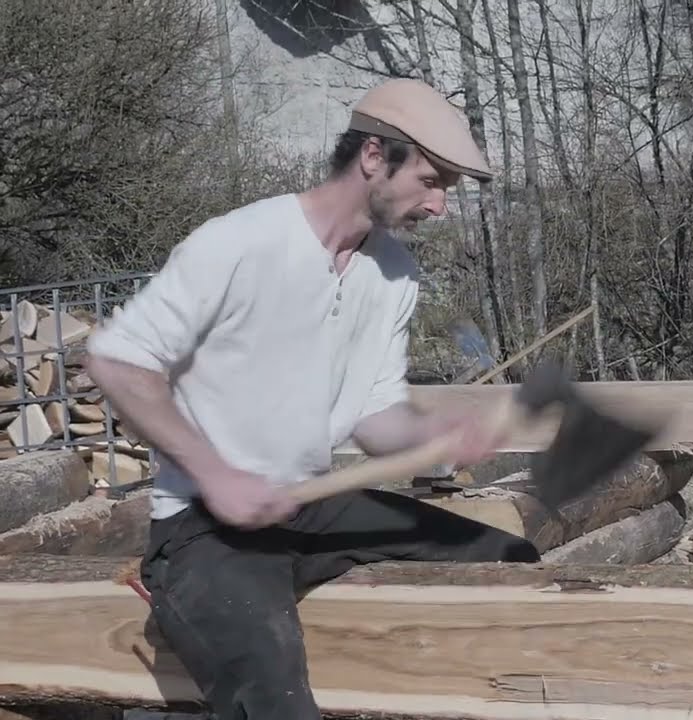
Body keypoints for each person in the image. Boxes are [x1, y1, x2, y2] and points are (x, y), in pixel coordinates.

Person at [85, 78, 539, 719]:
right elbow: (116, 359)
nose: (439, 206)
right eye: (432, 181)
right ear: (375, 157)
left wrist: (436, 435)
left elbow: (373, 417)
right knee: (274, 700)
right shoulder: (238, 243)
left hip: (311, 505)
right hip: (203, 528)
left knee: (516, 564)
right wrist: (217, 476)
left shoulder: (394, 274)